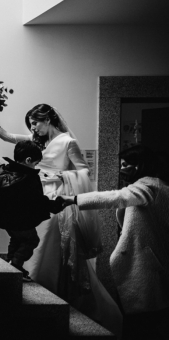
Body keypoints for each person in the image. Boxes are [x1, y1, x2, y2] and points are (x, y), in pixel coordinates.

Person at [0, 104, 123, 336]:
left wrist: (59, 175)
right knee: (29, 238)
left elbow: (84, 171)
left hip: (56, 200)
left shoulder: (67, 142)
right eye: (30, 124)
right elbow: (6, 135)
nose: (32, 128)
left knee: (54, 249)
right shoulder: (34, 141)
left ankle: (60, 295)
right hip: (32, 199)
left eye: (35, 122)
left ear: (48, 119)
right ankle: (28, 279)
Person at [59, 145, 169, 340]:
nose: (121, 169)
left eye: (125, 164)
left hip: (147, 267)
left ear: (138, 166)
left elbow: (115, 197)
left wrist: (73, 199)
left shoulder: (149, 186)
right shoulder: (154, 184)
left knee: (143, 325)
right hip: (149, 266)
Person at [0, 140, 64, 281]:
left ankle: (9, 265)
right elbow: (37, 200)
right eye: (35, 163)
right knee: (31, 240)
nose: (35, 166)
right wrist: (55, 205)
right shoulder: (28, 177)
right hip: (21, 220)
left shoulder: (3, 172)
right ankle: (15, 266)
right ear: (28, 160)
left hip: (5, 219)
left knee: (16, 239)